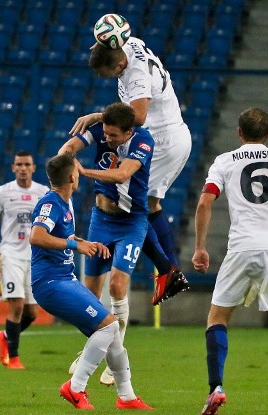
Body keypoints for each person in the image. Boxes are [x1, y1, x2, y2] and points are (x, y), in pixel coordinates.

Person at [191, 108, 268, 415]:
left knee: (217, 317)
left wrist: (200, 247)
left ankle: (216, 387)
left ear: (239, 133)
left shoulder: (224, 161)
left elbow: (205, 202)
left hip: (243, 247)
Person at [69, 33, 192, 304]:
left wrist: (98, 115)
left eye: (107, 73)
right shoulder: (126, 43)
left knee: (133, 205)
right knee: (150, 204)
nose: (106, 77)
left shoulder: (136, 77)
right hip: (172, 134)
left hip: (161, 139)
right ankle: (169, 269)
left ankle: (168, 270)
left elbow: (138, 116)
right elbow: (115, 35)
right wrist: (98, 45)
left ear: (120, 66)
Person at [29, 152, 152, 410]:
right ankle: (75, 388)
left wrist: (85, 243)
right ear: (73, 177)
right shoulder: (50, 204)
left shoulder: (65, 202)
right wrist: (74, 244)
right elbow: (37, 237)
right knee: (108, 327)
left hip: (63, 279)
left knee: (112, 335)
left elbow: (62, 237)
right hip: (51, 284)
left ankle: (127, 397)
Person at [59, 102, 152, 386]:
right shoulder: (101, 130)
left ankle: (115, 358)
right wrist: (67, 158)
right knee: (89, 295)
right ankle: (93, 351)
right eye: (106, 134)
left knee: (117, 285)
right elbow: (66, 149)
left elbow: (123, 174)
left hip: (131, 222)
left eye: (113, 136)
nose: (107, 139)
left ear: (129, 132)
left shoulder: (144, 141)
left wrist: (84, 172)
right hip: (101, 220)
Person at [0, 151, 49, 369]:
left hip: (34, 256)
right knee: (16, 306)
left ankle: (5, 335)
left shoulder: (43, 192)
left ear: (33, 168)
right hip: (10, 254)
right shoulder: (3, 192)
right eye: (19, 164)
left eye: (27, 164)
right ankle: (14, 358)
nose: (22, 168)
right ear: (12, 167)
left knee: (32, 313)